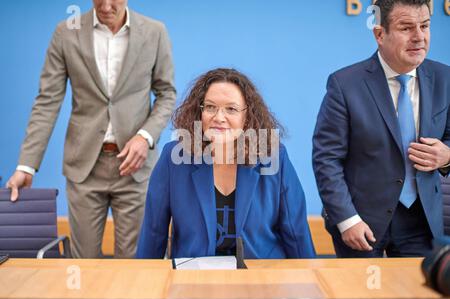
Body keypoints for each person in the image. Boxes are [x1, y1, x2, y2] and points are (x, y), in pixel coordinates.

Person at [6, 0, 176, 258]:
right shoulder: (66, 32)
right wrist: (26, 166)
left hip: (135, 169)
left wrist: (145, 137)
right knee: (83, 265)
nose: (106, 6)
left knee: (136, 264)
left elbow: (166, 94)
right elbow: (47, 101)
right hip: (83, 167)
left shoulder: (155, 32)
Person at [313, 0, 450, 258]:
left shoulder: (445, 78)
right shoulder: (345, 84)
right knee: (362, 295)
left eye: (425, 26)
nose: (419, 37)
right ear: (379, 34)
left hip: (422, 223)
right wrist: (347, 219)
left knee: (417, 296)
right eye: (406, 28)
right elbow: (327, 159)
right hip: (360, 222)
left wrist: (447, 156)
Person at [136, 68, 315, 259]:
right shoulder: (174, 157)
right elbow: (154, 232)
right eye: (211, 107)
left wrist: (310, 282)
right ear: (200, 112)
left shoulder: (273, 156)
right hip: (195, 278)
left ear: (248, 116)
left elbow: (296, 233)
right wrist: (146, 284)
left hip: (261, 276)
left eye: (231, 109)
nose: (219, 118)